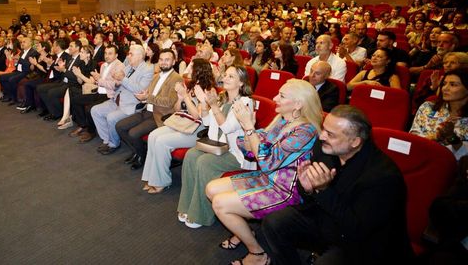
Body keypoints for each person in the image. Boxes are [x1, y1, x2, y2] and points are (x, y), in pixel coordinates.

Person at [256, 105, 414, 264]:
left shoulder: (383, 178)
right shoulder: (325, 148)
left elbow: (356, 228)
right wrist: (307, 189)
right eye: (324, 129)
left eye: (330, 134)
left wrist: (324, 190)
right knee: (275, 222)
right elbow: (312, 200)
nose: (322, 136)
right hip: (328, 221)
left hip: (361, 242)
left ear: (355, 142)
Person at [206, 79, 323, 265]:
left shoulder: (306, 131)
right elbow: (252, 151)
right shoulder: (283, 120)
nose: (275, 98)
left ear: (299, 103)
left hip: (284, 191)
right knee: (211, 189)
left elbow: (267, 161)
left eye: (282, 96)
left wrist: (249, 128)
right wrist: (251, 132)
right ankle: (245, 231)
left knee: (220, 204)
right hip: (266, 179)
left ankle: (257, 253)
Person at [177, 66, 253, 229]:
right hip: (216, 145)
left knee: (205, 162)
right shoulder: (220, 97)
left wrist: (213, 106)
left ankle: (201, 214)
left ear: (241, 83)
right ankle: (187, 205)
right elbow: (206, 122)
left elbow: (226, 128)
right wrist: (205, 105)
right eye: (225, 75)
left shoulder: (245, 103)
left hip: (236, 153)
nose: (225, 78)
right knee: (191, 155)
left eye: (231, 77)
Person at [142, 59, 216, 193]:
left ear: (199, 70)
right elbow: (177, 110)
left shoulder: (208, 90)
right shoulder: (192, 85)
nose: (189, 70)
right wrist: (181, 98)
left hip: (197, 131)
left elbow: (197, 117)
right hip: (183, 123)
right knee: (153, 135)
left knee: (162, 142)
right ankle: (150, 177)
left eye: (192, 68)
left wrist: (186, 97)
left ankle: (162, 181)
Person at [116, 49, 182, 170]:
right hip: (147, 110)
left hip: (160, 115)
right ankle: (138, 151)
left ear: (174, 62)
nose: (163, 62)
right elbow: (149, 95)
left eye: (167, 60)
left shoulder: (176, 78)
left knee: (133, 133)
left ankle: (142, 156)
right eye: (161, 59)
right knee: (120, 126)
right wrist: (144, 97)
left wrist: (148, 97)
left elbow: (169, 102)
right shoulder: (156, 76)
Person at [90, 44, 154, 155]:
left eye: (131, 54)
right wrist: (111, 80)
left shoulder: (147, 69)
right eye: (129, 54)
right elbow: (117, 83)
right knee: (95, 110)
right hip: (117, 99)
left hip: (131, 105)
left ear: (140, 56)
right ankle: (107, 139)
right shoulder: (129, 67)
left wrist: (122, 79)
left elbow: (140, 89)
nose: (128, 56)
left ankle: (113, 144)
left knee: (111, 118)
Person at [69, 45, 125, 143]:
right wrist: (97, 79)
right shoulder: (103, 65)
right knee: (76, 100)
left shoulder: (120, 66)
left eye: (110, 53)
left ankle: (91, 132)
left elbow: (114, 86)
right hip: (98, 91)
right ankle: (83, 125)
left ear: (116, 55)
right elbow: (99, 81)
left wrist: (99, 79)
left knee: (89, 108)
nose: (107, 56)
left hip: (109, 95)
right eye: (105, 53)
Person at [410, 68, 468, 160]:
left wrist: (451, 137)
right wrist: (435, 137)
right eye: (444, 84)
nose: (445, 88)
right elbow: (412, 140)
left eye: (453, 85)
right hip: (418, 158)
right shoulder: (428, 108)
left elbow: (464, 157)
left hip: (450, 167)